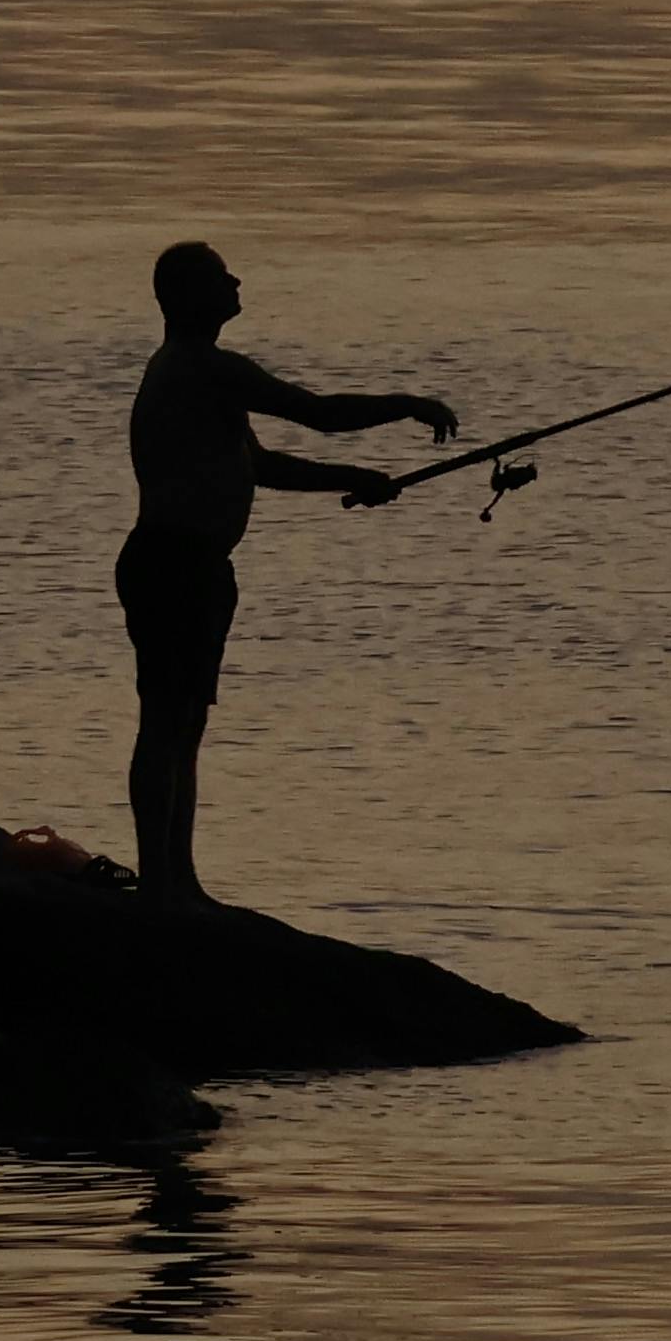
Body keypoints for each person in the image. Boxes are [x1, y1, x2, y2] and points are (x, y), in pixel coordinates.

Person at [115, 239, 455, 906]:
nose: (237, 281)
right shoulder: (203, 369)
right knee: (164, 720)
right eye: (221, 277)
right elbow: (320, 414)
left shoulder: (198, 376)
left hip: (197, 567)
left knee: (186, 726)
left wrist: (353, 481)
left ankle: (177, 879)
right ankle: (159, 883)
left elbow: (262, 468)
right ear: (191, 296)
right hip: (171, 564)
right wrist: (408, 402)